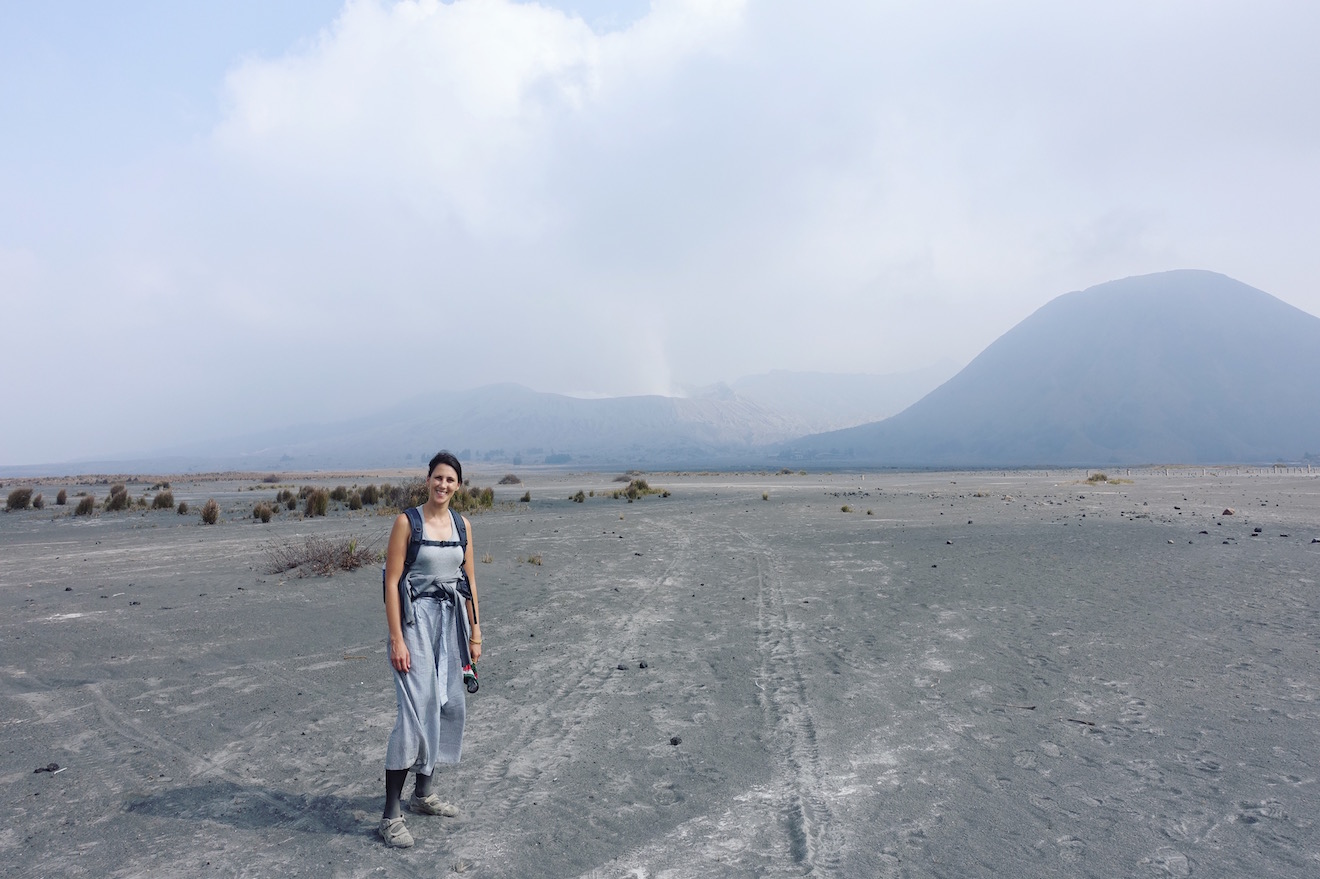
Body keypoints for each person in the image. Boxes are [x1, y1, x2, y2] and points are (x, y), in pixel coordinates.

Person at [379, 450, 483, 848]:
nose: (443, 485)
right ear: (428, 480)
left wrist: (475, 631)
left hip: (450, 623)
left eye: (450, 480)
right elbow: (391, 582)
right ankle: (391, 815)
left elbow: (469, 580)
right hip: (414, 622)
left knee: (445, 704)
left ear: (458, 486)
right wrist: (396, 638)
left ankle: (423, 795)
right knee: (413, 713)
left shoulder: (463, 525)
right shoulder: (407, 522)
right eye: (438, 477)